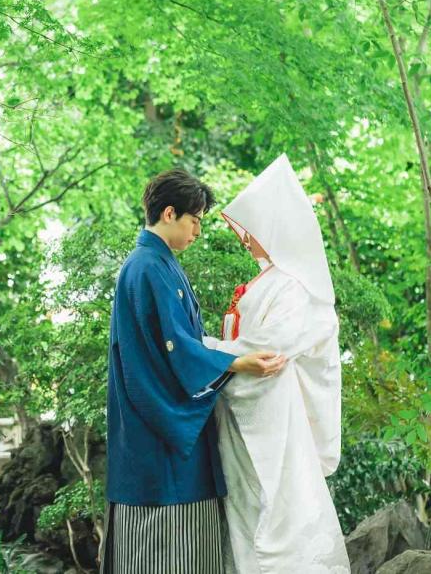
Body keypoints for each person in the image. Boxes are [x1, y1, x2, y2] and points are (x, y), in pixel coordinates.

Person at [103, 168, 287, 574]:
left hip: (158, 425)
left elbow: (182, 343)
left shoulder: (155, 264)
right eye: (195, 220)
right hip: (160, 433)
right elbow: (177, 347)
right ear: (170, 214)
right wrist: (235, 362)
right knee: (167, 550)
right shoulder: (148, 267)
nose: (198, 231)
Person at [201, 155, 350, 573]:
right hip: (247, 407)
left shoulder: (295, 286)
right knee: (250, 509)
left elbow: (270, 348)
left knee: (278, 508)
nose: (245, 241)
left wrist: (206, 350)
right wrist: (217, 352)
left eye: (252, 232)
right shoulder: (272, 280)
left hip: (272, 412)